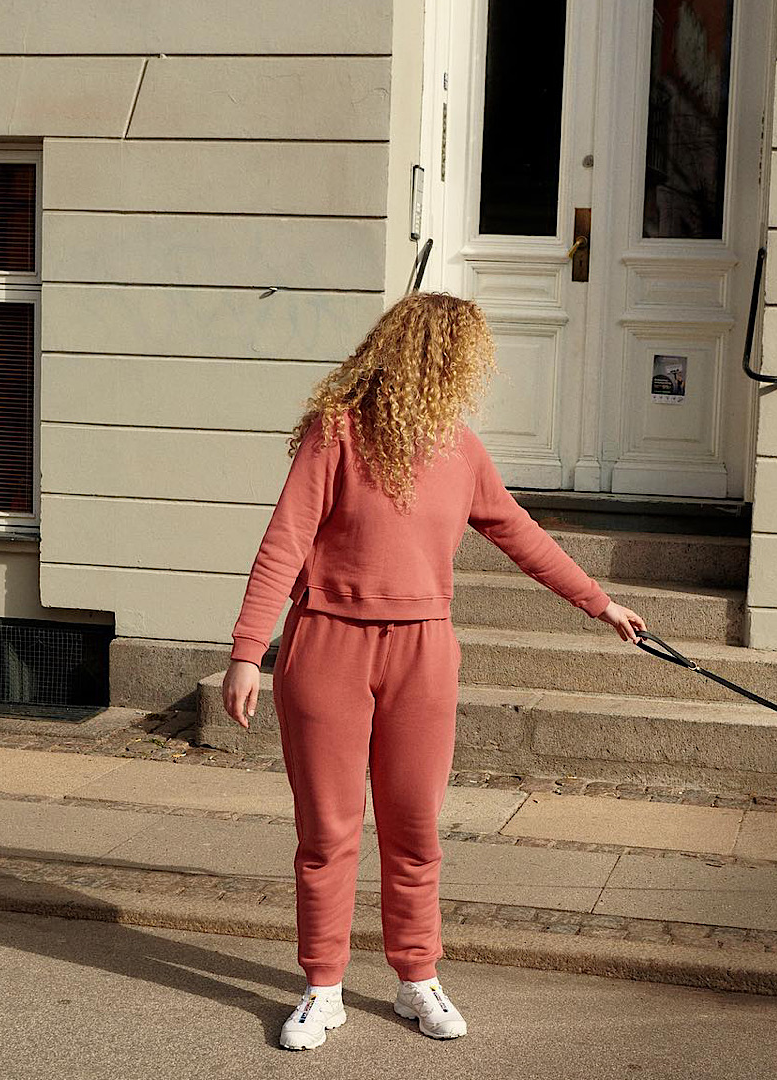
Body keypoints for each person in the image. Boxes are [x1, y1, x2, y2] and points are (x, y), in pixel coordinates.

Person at [221, 291, 647, 1049]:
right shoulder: (338, 433)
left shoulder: (461, 448)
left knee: (415, 830)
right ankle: (322, 989)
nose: (467, 373)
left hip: (424, 653)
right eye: (460, 358)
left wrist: (599, 603)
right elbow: (283, 541)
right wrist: (247, 653)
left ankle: (417, 978)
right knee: (328, 832)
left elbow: (520, 533)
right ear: (425, 357)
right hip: (327, 645)